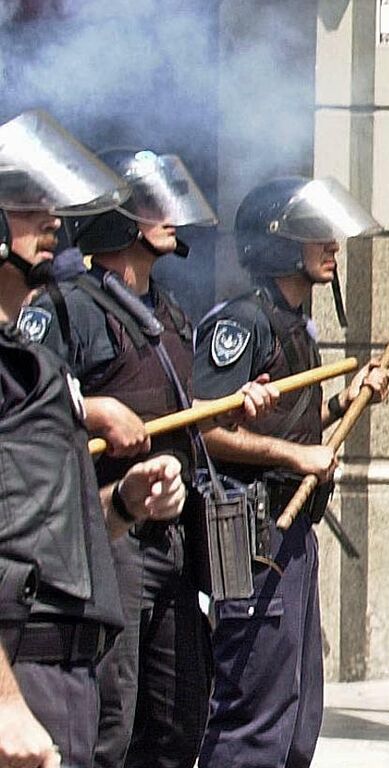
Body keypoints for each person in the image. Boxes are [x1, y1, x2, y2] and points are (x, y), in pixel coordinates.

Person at [26, 148, 278, 768]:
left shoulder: (164, 312)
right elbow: (27, 397)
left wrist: (226, 408)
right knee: (112, 715)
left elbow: (183, 407)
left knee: (178, 713)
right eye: (148, 204)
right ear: (115, 217)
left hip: (170, 537)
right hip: (106, 531)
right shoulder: (66, 307)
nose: (168, 215)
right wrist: (93, 409)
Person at [0, 108, 186, 768]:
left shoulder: (34, 367)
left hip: (70, 663)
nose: (52, 221)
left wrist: (124, 503)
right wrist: (3, 699)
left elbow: (45, 528)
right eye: (27, 208)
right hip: (19, 672)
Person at [192, 176, 389, 768]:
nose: (331, 247)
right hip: (253, 527)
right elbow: (207, 427)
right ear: (279, 245)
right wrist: (296, 459)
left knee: (298, 713)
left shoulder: (295, 326)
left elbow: (289, 427)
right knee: (255, 712)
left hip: (292, 527)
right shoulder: (242, 324)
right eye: (315, 236)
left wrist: (346, 401)